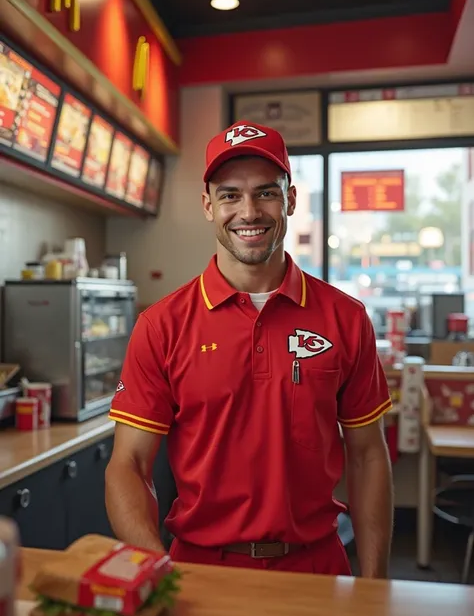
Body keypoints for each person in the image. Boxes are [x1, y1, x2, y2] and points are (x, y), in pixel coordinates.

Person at [105, 120, 394, 578]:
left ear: (290, 200)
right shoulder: (161, 326)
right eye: (229, 195)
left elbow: (368, 455)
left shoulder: (347, 318)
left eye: (266, 192)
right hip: (198, 569)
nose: (249, 211)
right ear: (208, 206)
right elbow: (129, 465)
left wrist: (376, 584)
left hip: (318, 566)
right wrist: (159, 571)